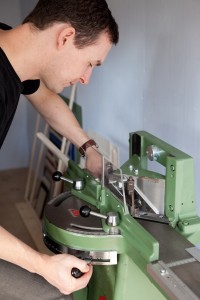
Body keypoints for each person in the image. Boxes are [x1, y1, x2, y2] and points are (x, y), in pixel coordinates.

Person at [0, 0, 119, 299]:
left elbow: (45, 99)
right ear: (65, 37)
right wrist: (42, 264)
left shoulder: (10, 50)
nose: (85, 79)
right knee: (50, 293)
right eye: (90, 63)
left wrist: (88, 148)